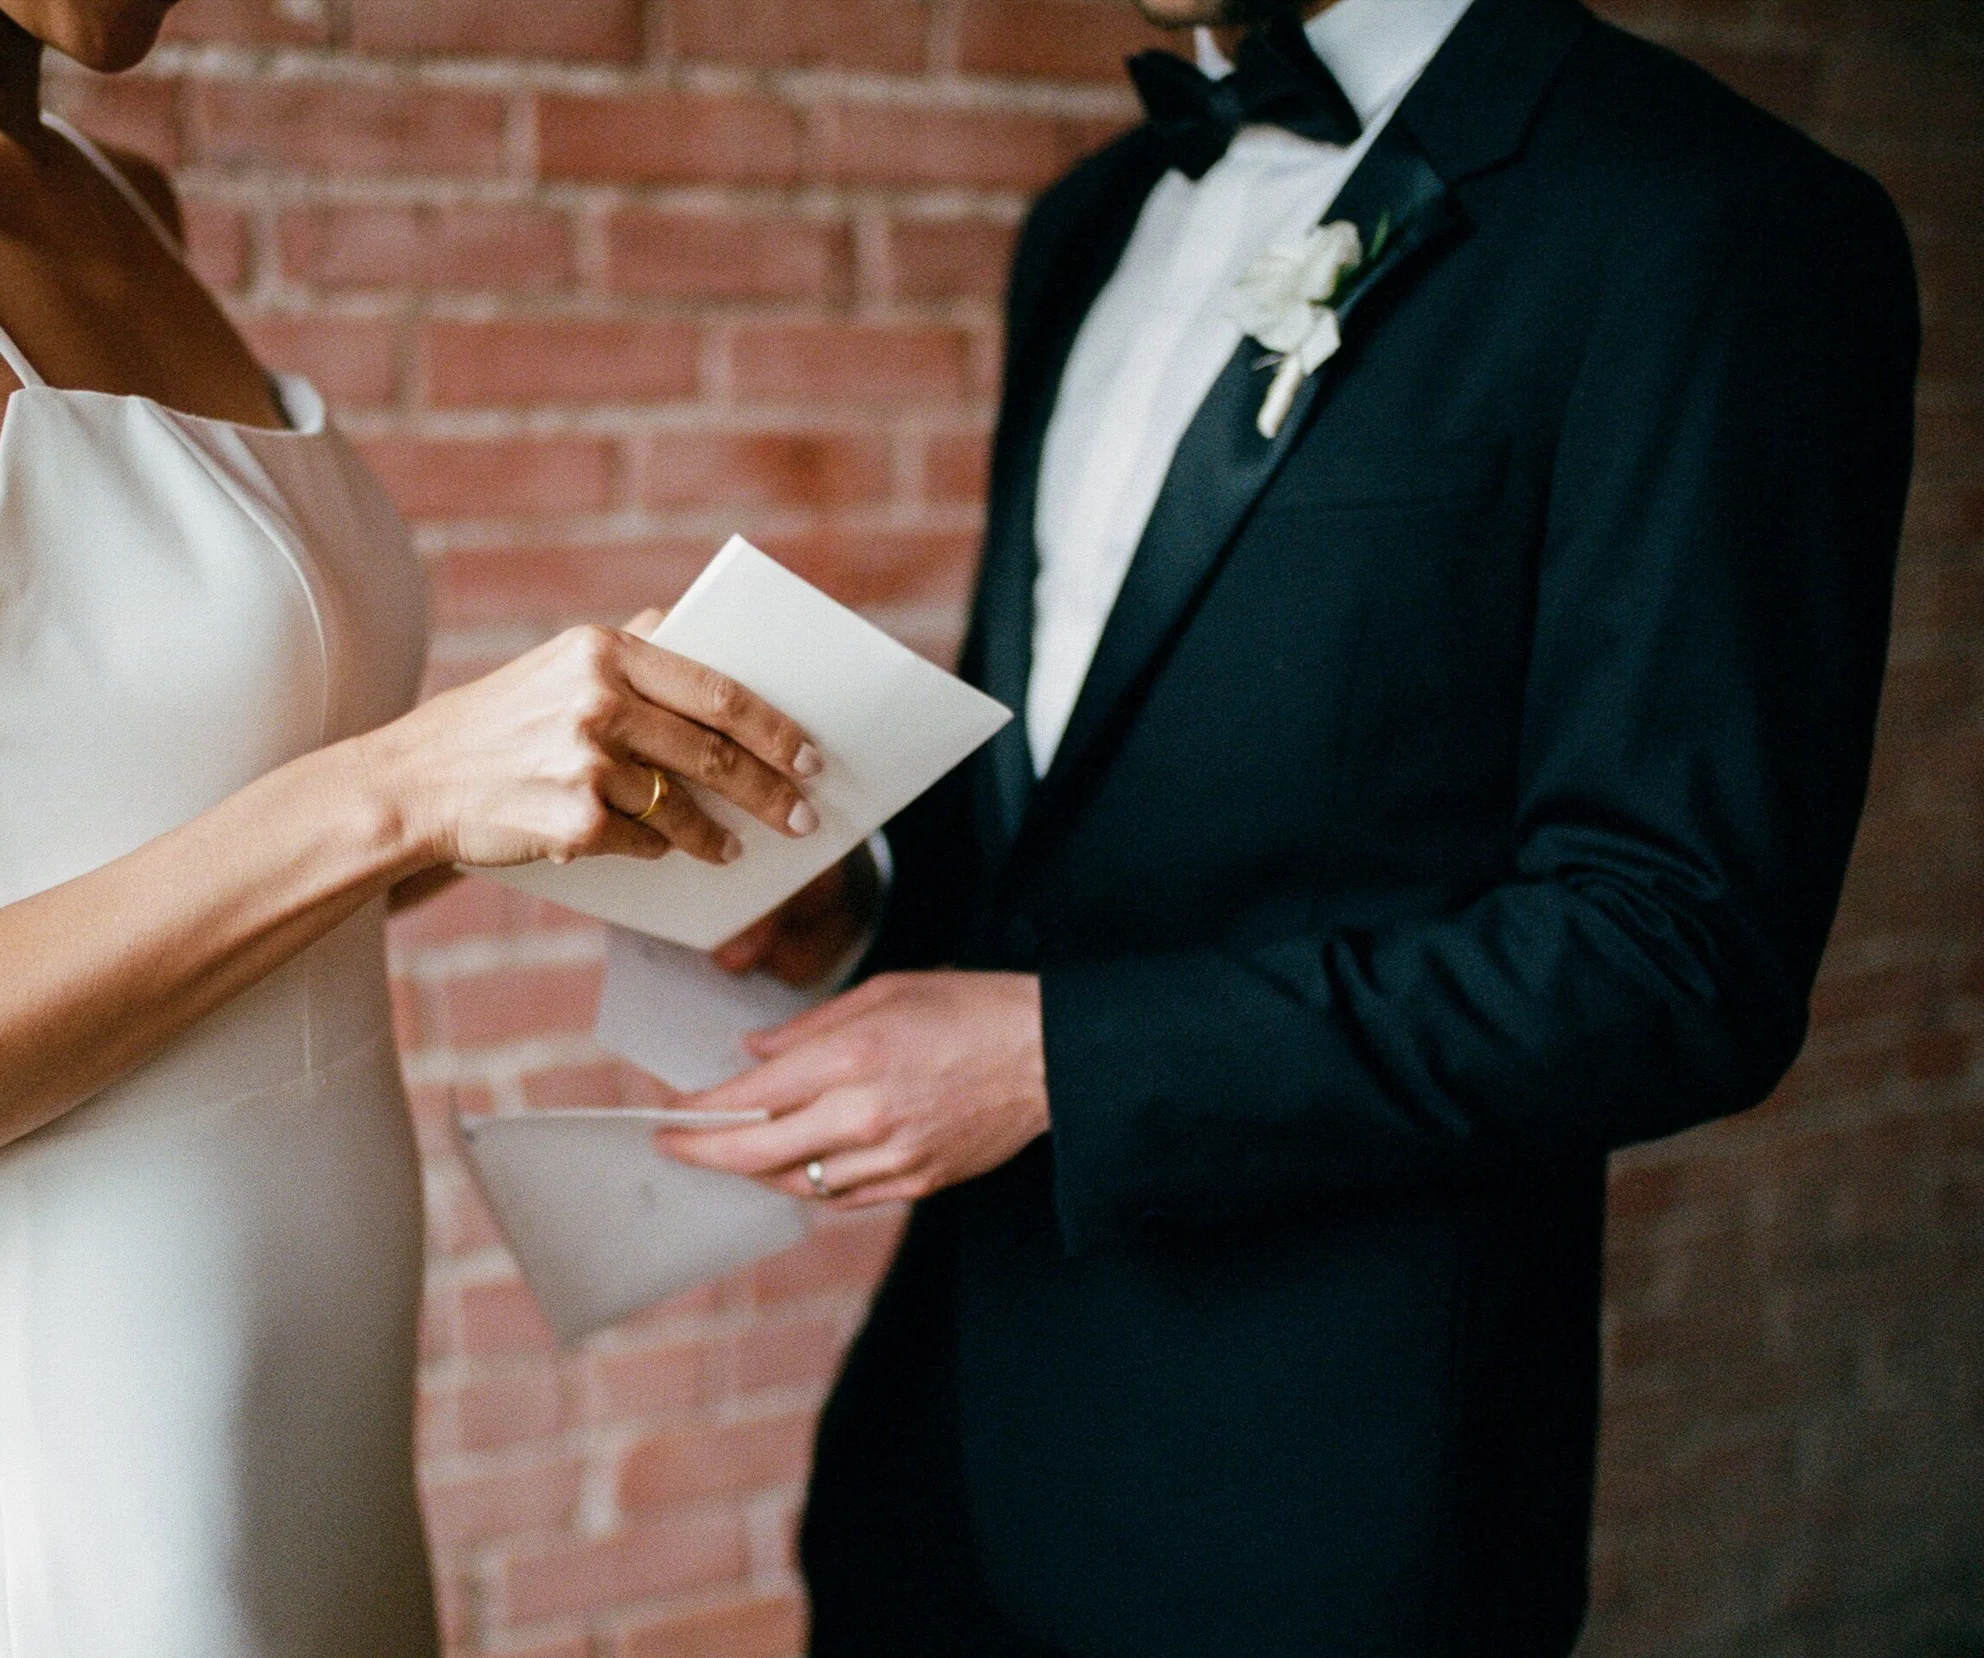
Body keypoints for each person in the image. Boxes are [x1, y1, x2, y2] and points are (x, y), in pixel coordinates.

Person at [0, 0, 830, 1645]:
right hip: (68, 1456)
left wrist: (535, 787)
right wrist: (397, 787)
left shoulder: (109, 193)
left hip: (317, 1407)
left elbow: (172, 832)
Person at [660, 0, 1921, 1652]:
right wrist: (841, 907)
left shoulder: (1711, 217)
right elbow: (1050, 816)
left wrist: (1060, 1061)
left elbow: (1676, 949)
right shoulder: (1087, 223)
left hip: (1322, 1510)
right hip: (939, 1463)